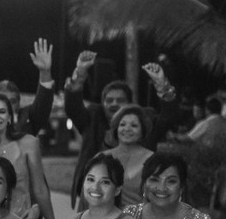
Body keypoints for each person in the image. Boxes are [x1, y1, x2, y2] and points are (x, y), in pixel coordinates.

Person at [64, 53, 177, 210]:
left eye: (120, 100)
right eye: (109, 100)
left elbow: (168, 118)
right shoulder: (93, 119)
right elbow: (72, 108)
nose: (114, 104)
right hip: (98, 209)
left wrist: (162, 85)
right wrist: (80, 75)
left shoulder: (146, 121)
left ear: (130, 103)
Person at [102, 105, 154, 206]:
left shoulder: (152, 159)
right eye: (122, 124)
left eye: (134, 126)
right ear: (116, 128)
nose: (127, 129)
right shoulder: (102, 158)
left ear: (143, 130)